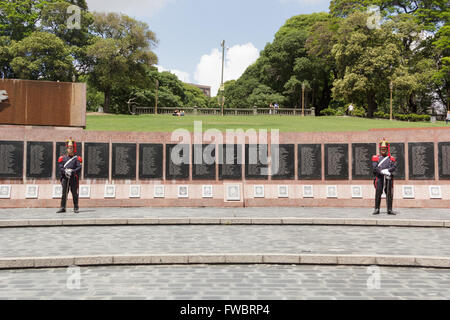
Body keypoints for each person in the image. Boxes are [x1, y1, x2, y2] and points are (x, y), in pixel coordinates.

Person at [57, 138, 82, 213]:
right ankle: (63, 207)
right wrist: (65, 171)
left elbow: (79, 167)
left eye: (71, 148)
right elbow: (60, 167)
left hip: (73, 178)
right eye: (68, 148)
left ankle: (76, 207)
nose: (70, 149)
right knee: (64, 193)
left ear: (73, 149)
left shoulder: (77, 158)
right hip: (65, 177)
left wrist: (72, 171)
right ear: (67, 149)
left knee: (74, 193)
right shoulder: (63, 158)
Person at [372, 139, 397, 215]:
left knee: (389, 193)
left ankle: (389, 209)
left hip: (388, 178)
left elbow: (394, 167)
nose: (383, 150)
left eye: (384, 149)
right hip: (379, 177)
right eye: (382, 149)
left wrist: (388, 170)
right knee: (378, 192)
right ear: (380, 149)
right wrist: (382, 171)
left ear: (387, 149)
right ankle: (377, 209)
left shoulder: (391, 158)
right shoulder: (376, 158)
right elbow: (375, 167)